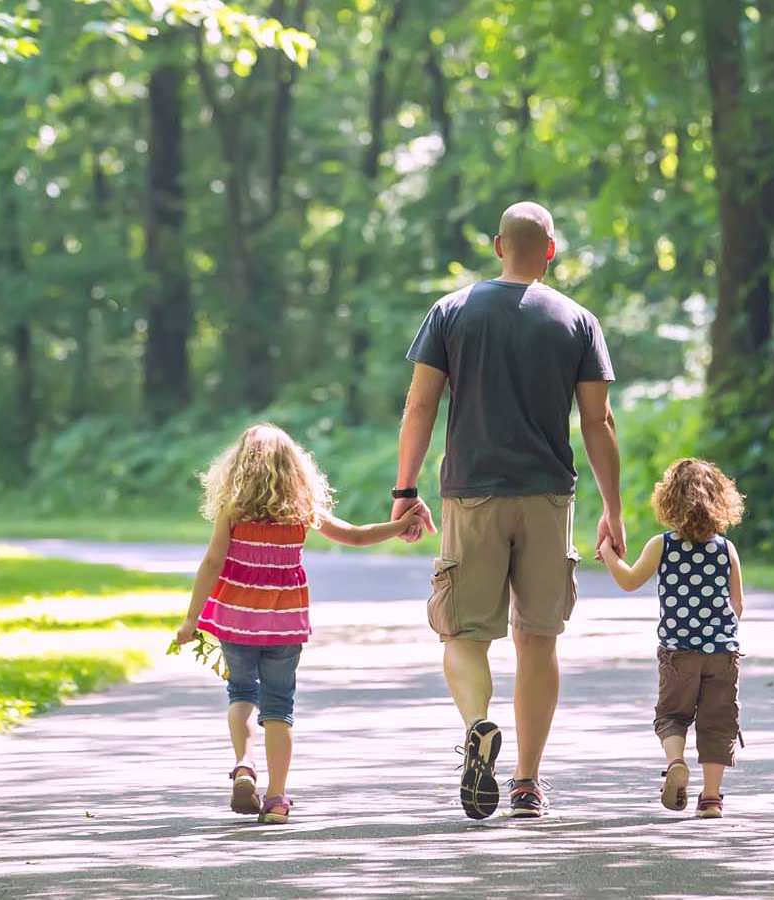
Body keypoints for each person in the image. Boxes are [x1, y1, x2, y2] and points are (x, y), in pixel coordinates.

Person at [390, 201, 623, 819]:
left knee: (463, 634)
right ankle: (526, 783)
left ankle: (477, 725)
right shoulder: (578, 321)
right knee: (538, 640)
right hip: (549, 499)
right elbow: (597, 421)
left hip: (473, 496)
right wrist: (614, 509)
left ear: (498, 246)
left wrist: (405, 490)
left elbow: (420, 406)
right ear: (550, 250)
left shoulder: (452, 311)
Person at [172, 423, 421, 824]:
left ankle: (244, 765)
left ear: (239, 467)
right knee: (279, 707)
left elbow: (213, 562)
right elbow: (356, 536)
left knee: (241, 692)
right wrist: (400, 524)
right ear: (294, 468)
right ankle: (275, 799)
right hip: (284, 625)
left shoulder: (233, 511)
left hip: (237, 620)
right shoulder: (302, 510)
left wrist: (191, 619)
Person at [596, 458, 745, 819]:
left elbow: (629, 581)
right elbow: (737, 605)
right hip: (722, 653)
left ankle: (676, 762)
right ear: (721, 501)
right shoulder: (726, 549)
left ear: (669, 500)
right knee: (717, 723)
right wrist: (716, 632)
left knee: (672, 716)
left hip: (679, 652)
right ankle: (711, 798)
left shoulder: (662, 545)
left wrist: (608, 554)